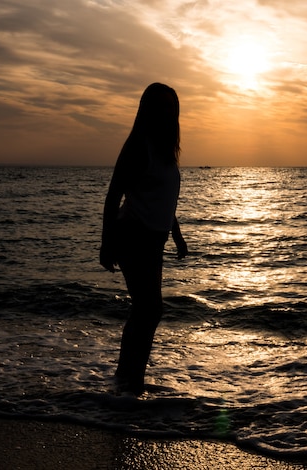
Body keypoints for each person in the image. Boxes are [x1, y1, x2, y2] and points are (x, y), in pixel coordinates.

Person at [100, 82, 188, 395]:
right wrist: (106, 243)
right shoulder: (139, 146)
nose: (166, 112)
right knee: (149, 308)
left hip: (153, 241)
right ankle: (129, 378)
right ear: (148, 110)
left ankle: (128, 377)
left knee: (146, 309)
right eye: (160, 105)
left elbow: (163, 197)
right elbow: (114, 196)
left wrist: (176, 235)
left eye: (170, 107)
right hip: (132, 235)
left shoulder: (166, 150)